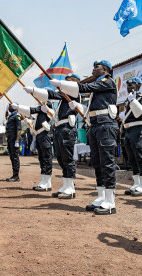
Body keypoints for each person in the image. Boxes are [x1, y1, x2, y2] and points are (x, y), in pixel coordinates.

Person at [52, 60, 118, 215]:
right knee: (97, 162)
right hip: (95, 125)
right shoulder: (98, 87)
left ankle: (110, 201)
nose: (94, 69)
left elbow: (83, 87)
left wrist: (61, 84)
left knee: (107, 163)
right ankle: (102, 196)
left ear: (106, 70)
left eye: (97, 67)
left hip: (105, 125)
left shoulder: (106, 82)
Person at [23, 72, 83, 199]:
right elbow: (52, 96)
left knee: (68, 159)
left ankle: (71, 187)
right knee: (61, 158)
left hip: (67, 128)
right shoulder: (63, 97)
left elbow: (52, 94)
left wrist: (34, 90)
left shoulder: (74, 93)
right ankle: (66, 184)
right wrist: (35, 92)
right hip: (60, 128)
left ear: (76, 83)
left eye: (69, 80)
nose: (66, 83)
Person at [12, 101, 54, 191]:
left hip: (45, 135)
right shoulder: (40, 114)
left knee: (47, 159)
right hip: (39, 136)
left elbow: (32, 110)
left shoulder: (48, 112)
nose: (40, 106)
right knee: (42, 159)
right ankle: (44, 180)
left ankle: (47, 182)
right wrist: (30, 121)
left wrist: (19, 107)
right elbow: (36, 120)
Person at [121, 77, 142, 197]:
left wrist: (134, 101)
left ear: (138, 86)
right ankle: (136, 183)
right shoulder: (127, 100)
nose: (129, 87)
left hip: (138, 130)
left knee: (141, 158)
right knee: (131, 158)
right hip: (128, 130)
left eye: (132, 85)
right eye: (128, 85)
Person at [4, 103, 22, 182]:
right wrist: (6, 110)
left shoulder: (17, 116)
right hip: (10, 138)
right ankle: (14, 175)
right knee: (12, 156)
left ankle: (16, 176)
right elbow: (6, 117)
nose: (9, 107)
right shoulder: (11, 116)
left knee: (15, 157)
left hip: (14, 138)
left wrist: (17, 141)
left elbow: (19, 129)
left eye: (10, 106)